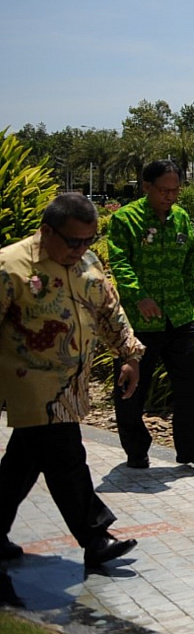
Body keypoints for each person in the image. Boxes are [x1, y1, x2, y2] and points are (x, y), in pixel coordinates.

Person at [0, 192, 145, 567]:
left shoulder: (87, 262)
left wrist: (129, 355)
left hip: (72, 383)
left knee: (23, 462)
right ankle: (95, 536)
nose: (80, 249)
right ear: (47, 231)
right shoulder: (10, 266)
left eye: (88, 240)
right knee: (65, 456)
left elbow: (109, 310)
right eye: (73, 241)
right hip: (32, 385)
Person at [106, 159, 194, 469]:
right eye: (164, 190)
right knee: (132, 387)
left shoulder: (182, 218)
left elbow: (188, 262)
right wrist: (139, 296)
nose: (170, 196)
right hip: (141, 321)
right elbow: (119, 262)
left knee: (192, 384)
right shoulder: (125, 220)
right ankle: (136, 450)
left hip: (180, 317)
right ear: (146, 187)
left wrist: (189, 303)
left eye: (175, 190)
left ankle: (192, 450)